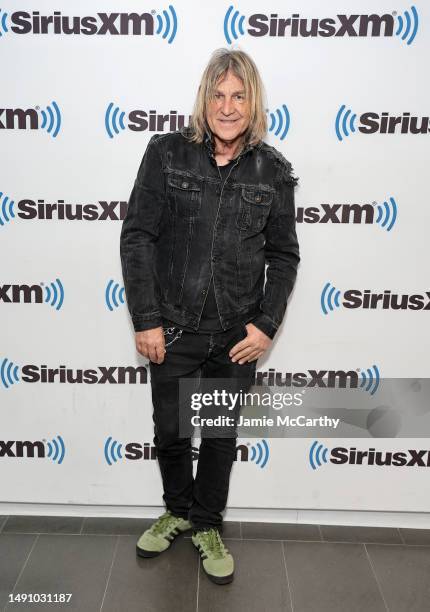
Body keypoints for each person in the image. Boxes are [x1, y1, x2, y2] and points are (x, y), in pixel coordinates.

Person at [119, 48, 300, 585]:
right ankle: (176, 509)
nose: (227, 107)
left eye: (238, 96)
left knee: (219, 435)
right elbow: (138, 236)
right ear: (205, 99)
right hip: (170, 325)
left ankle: (207, 523)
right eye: (218, 95)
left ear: (252, 102)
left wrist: (265, 323)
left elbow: (284, 255)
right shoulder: (166, 153)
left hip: (234, 333)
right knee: (172, 430)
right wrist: (146, 317)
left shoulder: (275, 170)